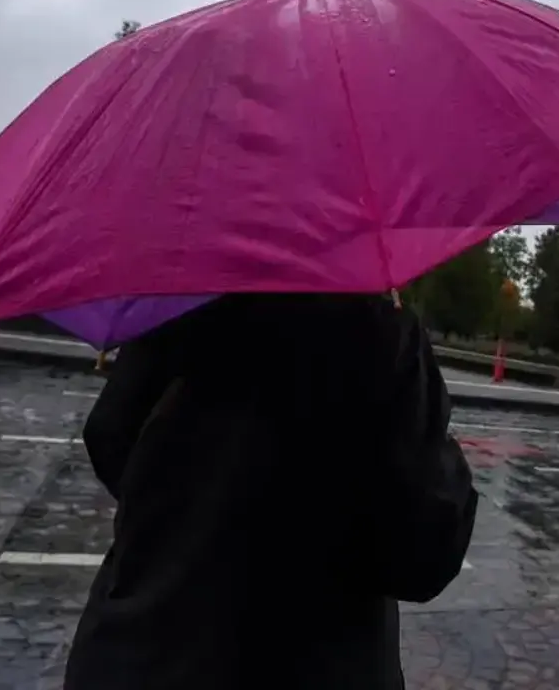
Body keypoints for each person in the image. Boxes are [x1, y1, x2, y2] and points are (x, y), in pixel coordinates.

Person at [63, 293, 478, 689]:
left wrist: (192, 510)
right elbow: (424, 553)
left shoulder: (175, 309)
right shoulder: (377, 334)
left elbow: (109, 438)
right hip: (312, 665)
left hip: (141, 653)